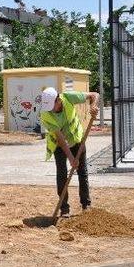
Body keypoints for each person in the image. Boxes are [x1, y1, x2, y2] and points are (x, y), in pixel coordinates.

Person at [39, 87, 99, 217]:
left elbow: (94, 95)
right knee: (62, 175)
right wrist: (71, 158)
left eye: (52, 106)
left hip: (77, 140)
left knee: (82, 172)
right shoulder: (45, 115)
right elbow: (60, 138)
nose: (50, 109)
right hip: (59, 146)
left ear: (59, 100)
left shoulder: (68, 97)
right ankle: (64, 209)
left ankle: (86, 205)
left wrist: (93, 106)